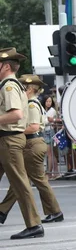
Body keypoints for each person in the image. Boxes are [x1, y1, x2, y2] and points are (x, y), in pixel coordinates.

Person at [0, 75, 63, 223]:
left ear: (30, 90)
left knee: (31, 180)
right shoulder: (32, 103)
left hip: (32, 144)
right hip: (31, 144)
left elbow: (34, 127)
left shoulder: (31, 104)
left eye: (24, 88)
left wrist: (16, 131)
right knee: (23, 180)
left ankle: (54, 212)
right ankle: (3, 210)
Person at [0, 48, 44, 239]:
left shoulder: (8, 86)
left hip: (9, 139)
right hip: (6, 139)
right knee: (19, 182)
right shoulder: (9, 85)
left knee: (19, 183)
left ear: (6, 66)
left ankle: (34, 224)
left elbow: (16, 114)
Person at [42, 95, 59, 177]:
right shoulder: (43, 109)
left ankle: (49, 173)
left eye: (50, 101)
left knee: (50, 153)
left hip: (49, 131)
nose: (48, 103)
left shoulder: (52, 110)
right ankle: (55, 172)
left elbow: (47, 120)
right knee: (51, 153)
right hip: (45, 131)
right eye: (47, 101)